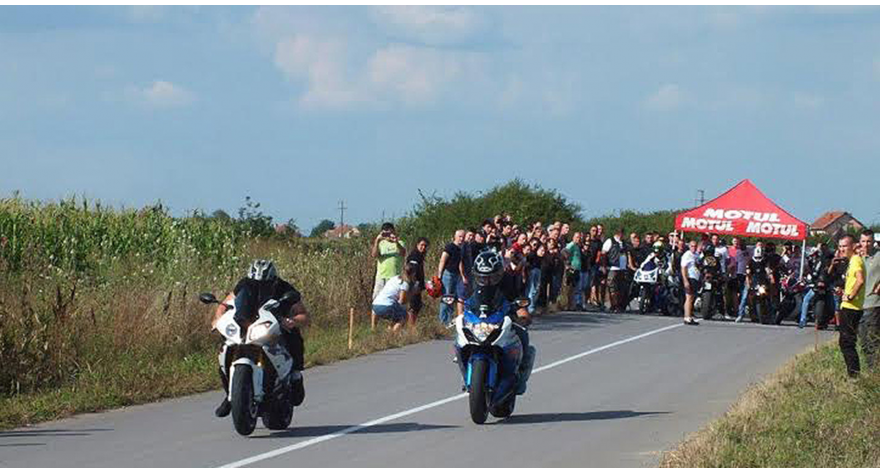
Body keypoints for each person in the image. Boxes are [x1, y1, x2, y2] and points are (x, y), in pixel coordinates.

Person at [212, 260, 309, 418]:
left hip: (275, 326)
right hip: (246, 324)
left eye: (264, 284)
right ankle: (231, 396)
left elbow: (303, 314)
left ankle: (295, 375)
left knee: (294, 337)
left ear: (273, 279)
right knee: (225, 346)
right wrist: (217, 319)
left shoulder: (284, 287)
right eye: (254, 283)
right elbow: (224, 304)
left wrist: (292, 321)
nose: (258, 286)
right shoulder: (244, 284)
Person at [461, 249, 537, 393]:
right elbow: (464, 301)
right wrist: (461, 317)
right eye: (483, 277)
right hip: (479, 320)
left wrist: (523, 316)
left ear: (499, 274)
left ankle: (521, 373)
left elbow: (518, 299)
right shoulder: (471, 283)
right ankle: (464, 367)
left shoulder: (507, 280)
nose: (487, 280)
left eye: (492, 277)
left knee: (522, 334)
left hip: (502, 317)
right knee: (460, 338)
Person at [837, 234, 865, 378]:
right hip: (849, 306)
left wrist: (850, 296)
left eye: (845, 246)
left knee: (846, 342)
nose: (842, 249)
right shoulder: (852, 261)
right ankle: (853, 374)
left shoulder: (855, 260)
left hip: (851, 308)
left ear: (853, 246)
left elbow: (860, 280)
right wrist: (844, 292)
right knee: (845, 342)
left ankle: (854, 375)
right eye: (840, 246)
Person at [373, 262, 416, 333]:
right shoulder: (404, 284)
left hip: (375, 305)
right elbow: (401, 301)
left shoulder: (394, 278)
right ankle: (392, 335)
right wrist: (411, 294)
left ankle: (387, 331)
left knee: (395, 316)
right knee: (404, 317)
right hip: (386, 306)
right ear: (413, 274)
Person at [859, 230, 880, 372]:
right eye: (863, 241)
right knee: (863, 341)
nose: (866, 244)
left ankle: (874, 371)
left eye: (869, 241)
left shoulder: (878, 256)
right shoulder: (858, 258)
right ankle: (870, 369)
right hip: (858, 304)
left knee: (872, 340)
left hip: (873, 303)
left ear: (873, 242)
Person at [437, 230, 467, 326]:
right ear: (455, 237)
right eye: (460, 236)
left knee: (452, 298)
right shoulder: (450, 247)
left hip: (456, 275)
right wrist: (439, 275)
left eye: (463, 237)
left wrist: (462, 276)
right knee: (446, 297)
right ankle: (443, 320)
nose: (461, 239)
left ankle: (449, 320)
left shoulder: (461, 248)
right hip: (448, 274)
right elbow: (442, 260)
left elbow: (460, 263)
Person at [371, 222, 406, 299]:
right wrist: (377, 240)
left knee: (394, 299)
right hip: (381, 277)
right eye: (386, 234)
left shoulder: (400, 243)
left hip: (395, 277)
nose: (388, 235)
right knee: (377, 299)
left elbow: (403, 253)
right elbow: (374, 255)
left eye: (390, 233)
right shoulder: (381, 244)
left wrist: (396, 242)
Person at [603, 229, 629, 313]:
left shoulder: (624, 243)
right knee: (612, 287)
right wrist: (604, 266)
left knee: (621, 288)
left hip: (622, 268)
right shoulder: (610, 241)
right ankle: (613, 305)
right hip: (613, 268)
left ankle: (619, 305)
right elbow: (604, 253)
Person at [406, 237, 429, 329]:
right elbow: (411, 270)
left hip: (418, 285)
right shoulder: (414, 255)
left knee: (417, 306)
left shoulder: (420, 256)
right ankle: (411, 327)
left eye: (425, 246)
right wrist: (415, 284)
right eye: (421, 245)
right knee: (413, 306)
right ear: (417, 245)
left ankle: (412, 326)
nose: (423, 247)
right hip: (413, 285)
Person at [562, 231, 584, 311]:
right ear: (573, 237)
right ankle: (568, 305)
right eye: (577, 237)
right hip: (572, 269)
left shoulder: (577, 246)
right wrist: (567, 264)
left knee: (575, 288)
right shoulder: (571, 245)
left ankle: (573, 304)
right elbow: (564, 252)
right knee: (569, 287)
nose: (578, 239)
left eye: (579, 238)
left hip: (577, 268)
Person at [680, 240, 701, 325]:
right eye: (692, 246)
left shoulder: (696, 255)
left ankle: (689, 315)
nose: (693, 248)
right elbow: (683, 268)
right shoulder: (687, 255)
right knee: (689, 297)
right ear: (689, 246)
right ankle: (687, 317)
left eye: (695, 246)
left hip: (695, 278)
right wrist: (685, 280)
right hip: (690, 277)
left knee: (692, 298)